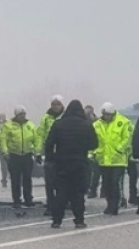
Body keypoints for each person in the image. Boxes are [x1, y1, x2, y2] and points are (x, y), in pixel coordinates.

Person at [45, 100, 98, 229]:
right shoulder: (86, 125)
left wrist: (51, 158)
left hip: (61, 162)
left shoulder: (58, 124)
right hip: (80, 163)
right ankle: (79, 220)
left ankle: (57, 220)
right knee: (78, 193)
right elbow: (94, 144)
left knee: (61, 192)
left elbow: (49, 143)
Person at [93, 103, 133, 215]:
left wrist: (120, 149)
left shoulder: (123, 122)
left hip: (118, 160)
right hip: (103, 160)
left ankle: (115, 205)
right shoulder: (97, 125)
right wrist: (94, 153)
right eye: (104, 114)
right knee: (106, 184)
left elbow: (128, 138)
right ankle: (109, 204)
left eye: (108, 114)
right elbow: (93, 140)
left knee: (115, 183)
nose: (106, 116)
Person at [0, 107, 40, 208]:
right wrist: (5, 152)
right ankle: (17, 200)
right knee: (15, 179)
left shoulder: (30, 125)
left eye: (24, 114)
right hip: (14, 156)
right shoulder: (8, 126)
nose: (22, 116)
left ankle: (28, 199)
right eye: (20, 114)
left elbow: (36, 139)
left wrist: (37, 152)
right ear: (16, 115)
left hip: (27, 155)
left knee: (27, 178)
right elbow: (3, 140)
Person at [38, 96, 65, 216]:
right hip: (49, 154)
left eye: (58, 104)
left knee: (61, 182)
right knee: (49, 182)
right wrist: (38, 151)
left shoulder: (65, 117)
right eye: (53, 104)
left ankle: (61, 204)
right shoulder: (45, 118)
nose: (55, 106)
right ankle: (50, 205)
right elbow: (40, 135)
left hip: (63, 153)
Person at [84, 104, 101, 198]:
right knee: (88, 171)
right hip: (87, 150)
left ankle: (94, 189)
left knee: (97, 172)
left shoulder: (98, 122)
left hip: (98, 150)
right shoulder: (83, 122)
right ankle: (89, 189)